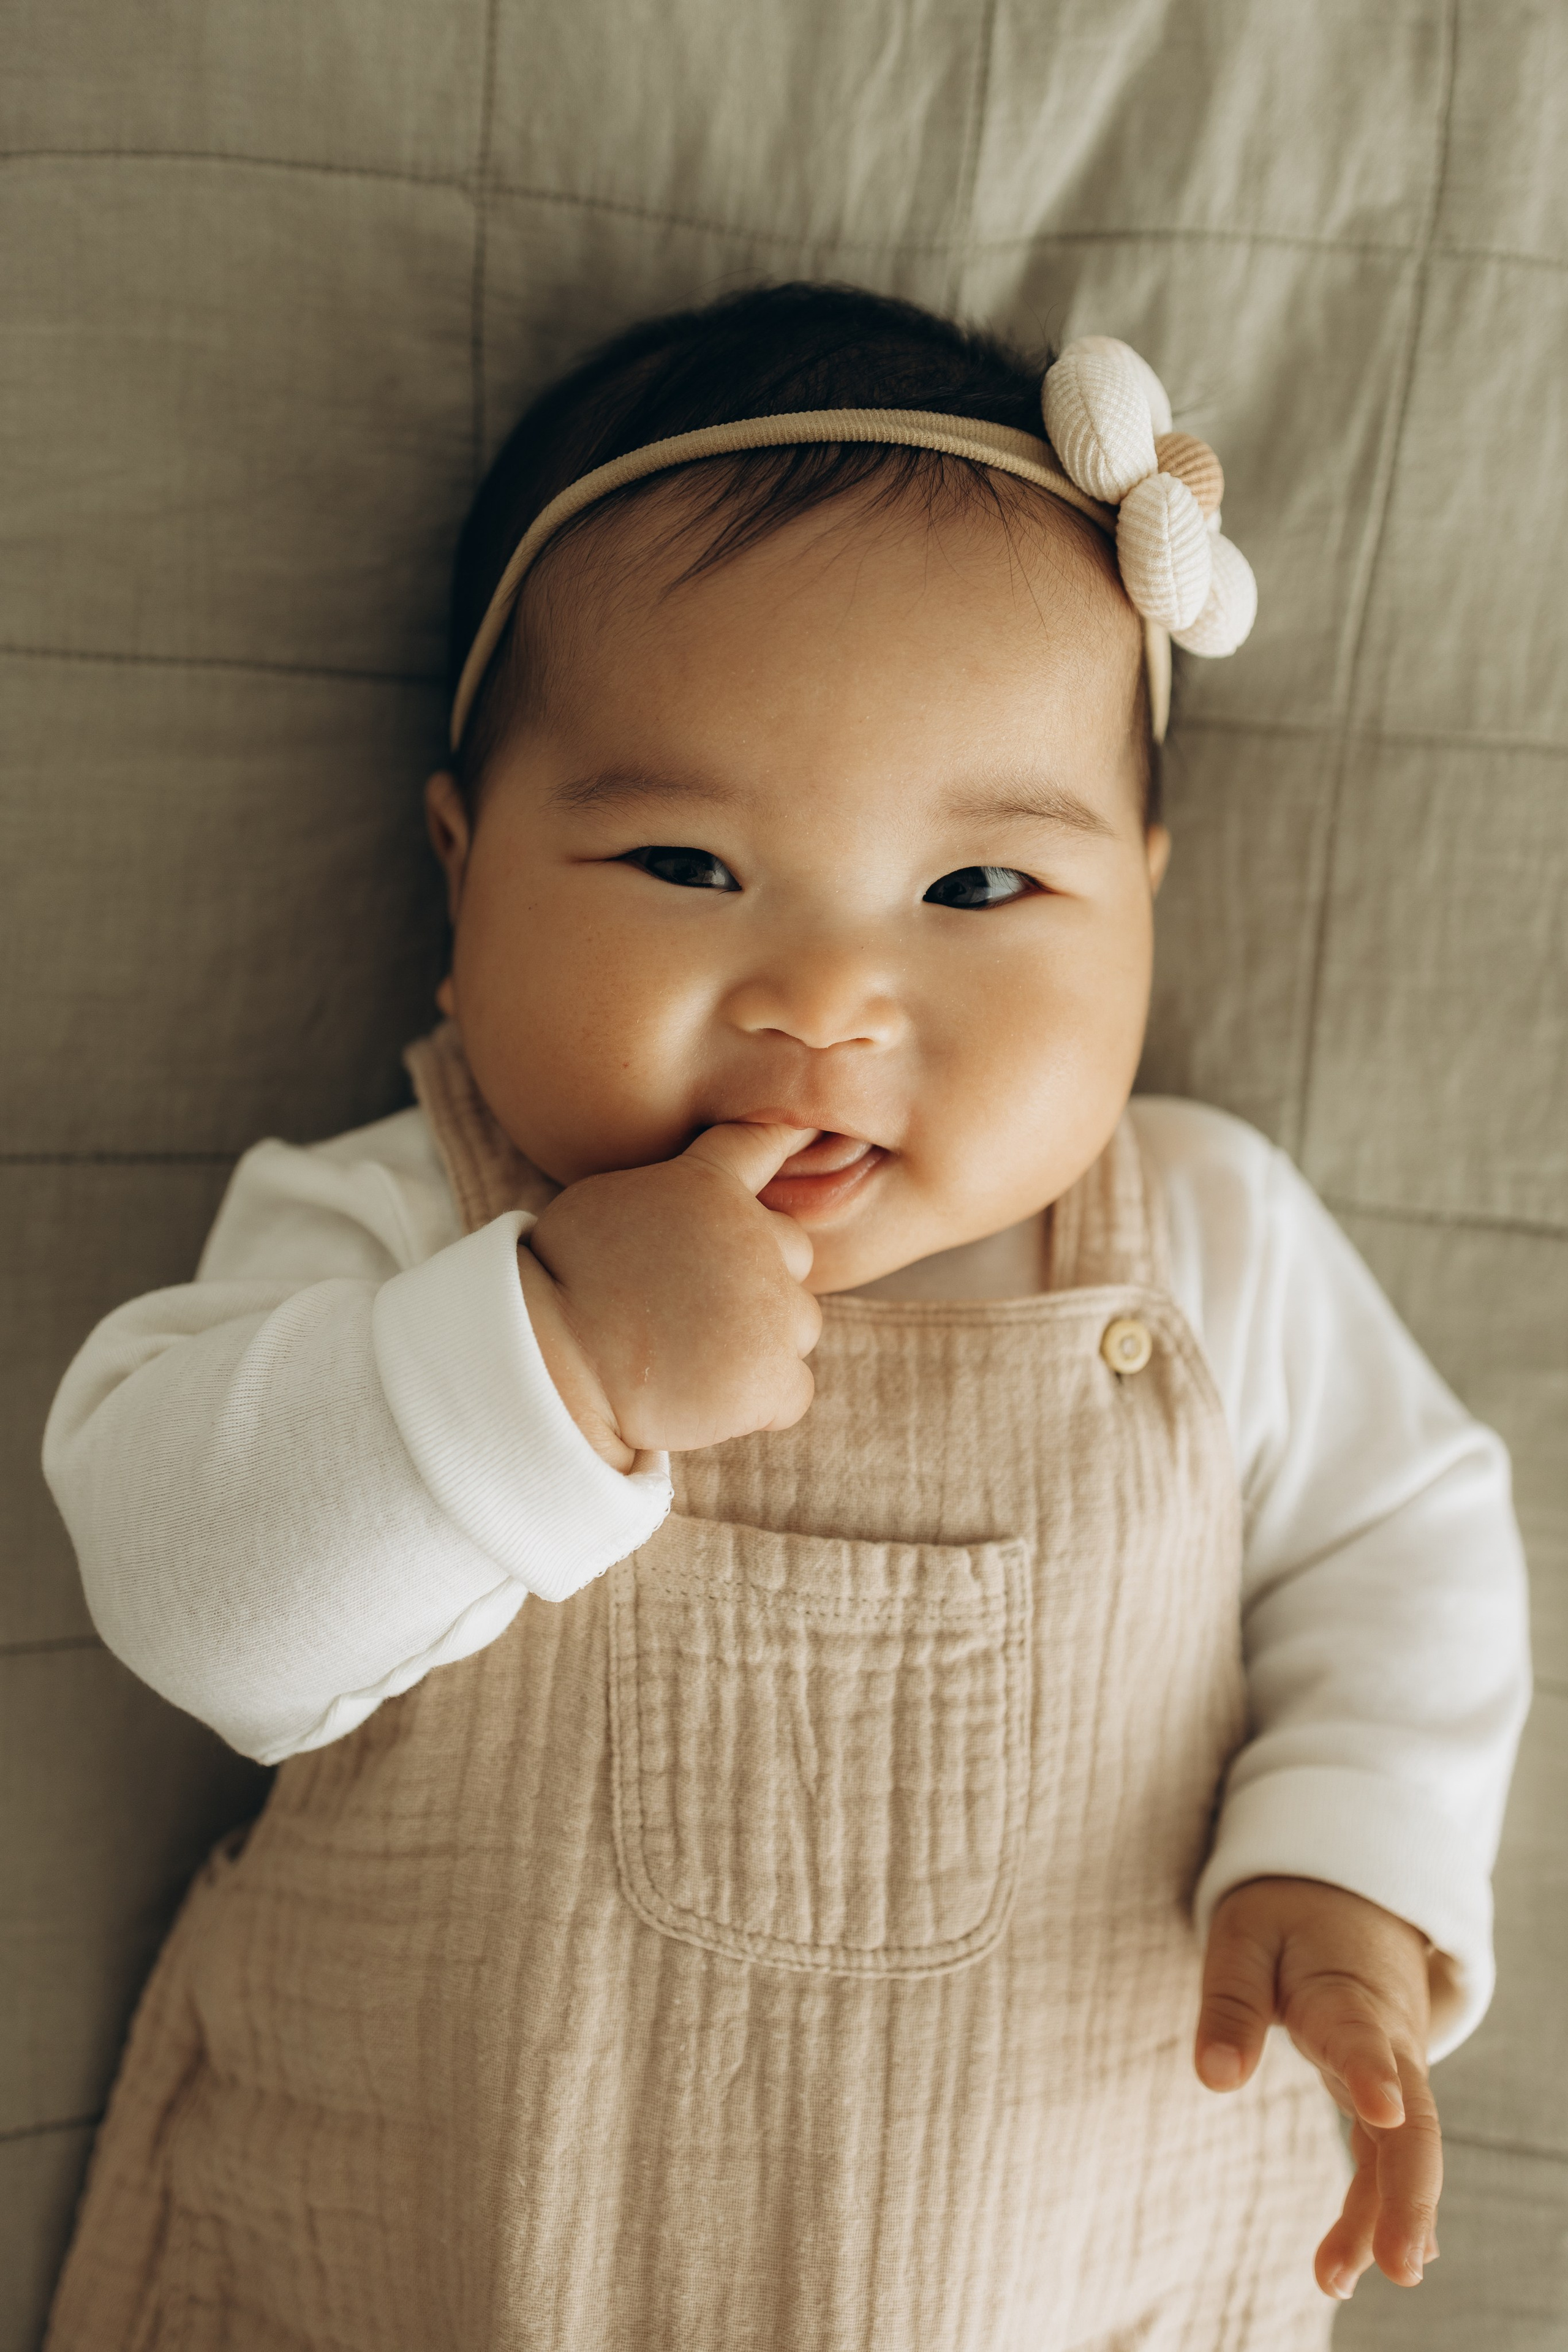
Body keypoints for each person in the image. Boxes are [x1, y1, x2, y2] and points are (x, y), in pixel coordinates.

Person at [42, 284, 1529, 2351]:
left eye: (980, 892)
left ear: (1149, 901)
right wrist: (551, 1355)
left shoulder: (1207, 1250)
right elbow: (189, 1586)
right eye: (684, 859)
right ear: (462, 879)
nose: (827, 1001)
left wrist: (1350, 1861)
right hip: (441, 2251)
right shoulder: (410, 1218)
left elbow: (1410, 1551)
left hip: (1048, 2248)